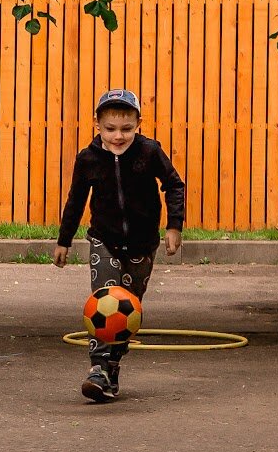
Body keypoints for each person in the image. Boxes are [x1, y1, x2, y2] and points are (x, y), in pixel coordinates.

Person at [53, 89, 186, 403]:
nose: (118, 136)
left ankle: (112, 368)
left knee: (128, 311)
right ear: (97, 124)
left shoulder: (149, 152)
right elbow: (75, 201)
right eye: (110, 128)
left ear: (139, 123)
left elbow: (174, 185)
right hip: (104, 240)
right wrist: (64, 241)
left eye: (126, 129)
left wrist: (174, 225)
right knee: (104, 301)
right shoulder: (88, 159)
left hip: (142, 245)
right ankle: (97, 368)